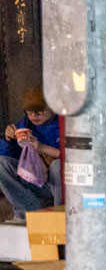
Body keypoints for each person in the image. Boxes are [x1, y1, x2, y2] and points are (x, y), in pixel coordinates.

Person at [0, 86, 61, 221]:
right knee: (1, 164)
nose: (33, 116)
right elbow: (8, 154)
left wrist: (42, 148)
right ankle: (26, 214)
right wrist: (8, 139)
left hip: (60, 185)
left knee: (57, 165)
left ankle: (59, 215)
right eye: (29, 111)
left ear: (52, 108)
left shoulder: (64, 123)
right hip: (35, 180)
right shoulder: (26, 124)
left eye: (39, 111)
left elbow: (75, 157)